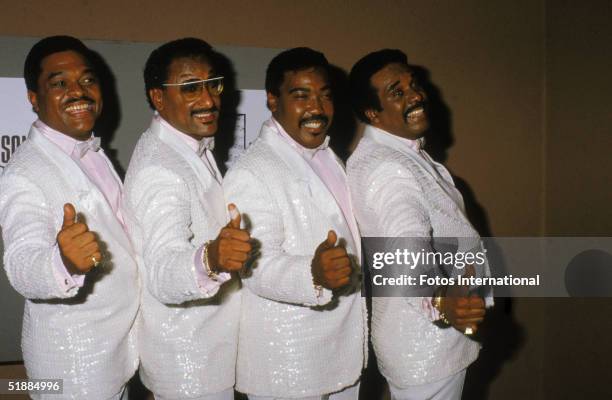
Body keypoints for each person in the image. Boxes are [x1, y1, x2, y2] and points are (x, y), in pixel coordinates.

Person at [347, 49, 491, 400]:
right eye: (397, 92)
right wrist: (442, 300)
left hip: (429, 344)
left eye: (414, 84)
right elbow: (404, 249)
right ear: (372, 113)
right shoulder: (388, 167)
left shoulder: (402, 153)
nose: (415, 95)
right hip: (426, 346)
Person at [223, 47, 367, 400]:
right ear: (273, 100)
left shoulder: (328, 156)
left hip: (342, 356)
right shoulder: (253, 170)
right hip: (287, 366)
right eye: (301, 95)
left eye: (325, 95)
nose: (316, 108)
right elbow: (255, 266)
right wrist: (313, 274)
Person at [0, 36, 139, 399]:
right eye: (59, 83)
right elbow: (22, 261)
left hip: (114, 355)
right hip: (72, 367)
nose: (78, 91)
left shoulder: (91, 151)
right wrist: (62, 263)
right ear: (33, 97)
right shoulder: (25, 171)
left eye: (88, 80)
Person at [123, 38, 251, 400]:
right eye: (191, 87)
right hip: (190, 365)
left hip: (207, 355)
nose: (209, 99)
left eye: (214, 84)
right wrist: (211, 258)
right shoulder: (161, 169)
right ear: (158, 97)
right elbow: (163, 271)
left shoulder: (188, 147)